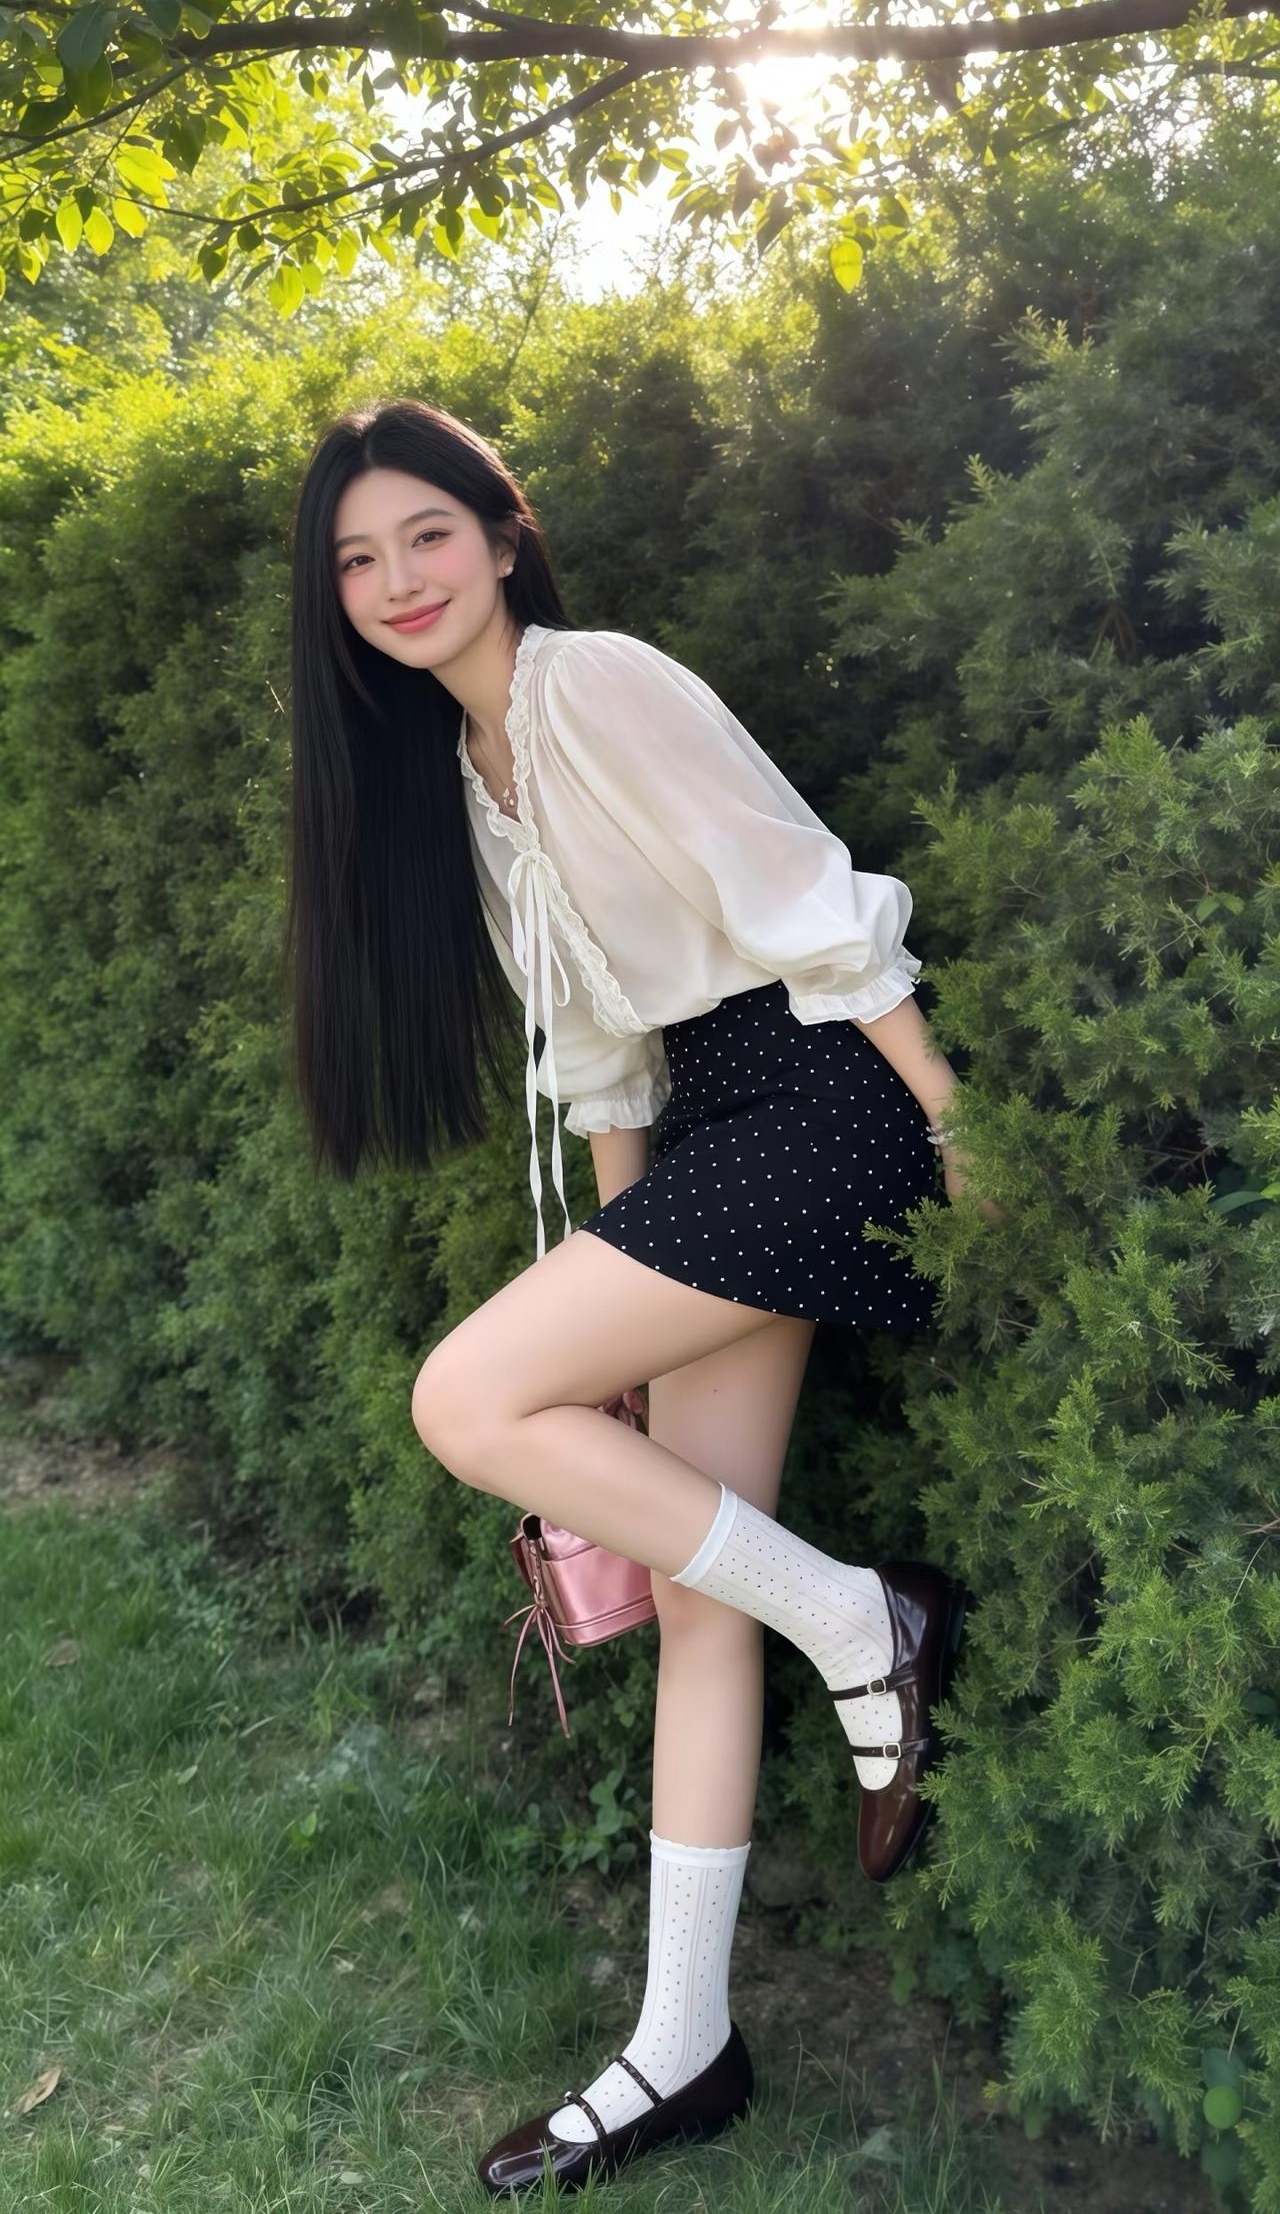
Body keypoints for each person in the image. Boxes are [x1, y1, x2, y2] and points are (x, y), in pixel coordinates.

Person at [284, 398, 987, 2200]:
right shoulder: (471, 776)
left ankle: (867, 1619)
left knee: (461, 1402)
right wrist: (627, 1287)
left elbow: (800, 891)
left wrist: (947, 1116)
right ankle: (687, 2045)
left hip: (825, 1096)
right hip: (717, 1141)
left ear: (500, 535)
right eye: (358, 559)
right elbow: (603, 1056)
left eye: (427, 535)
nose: (398, 579)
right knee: (694, 1588)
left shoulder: (590, 684)